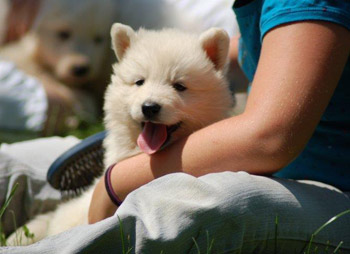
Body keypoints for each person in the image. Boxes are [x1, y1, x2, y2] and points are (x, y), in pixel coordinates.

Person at [1, 0, 349, 253]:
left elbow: (270, 139)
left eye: (178, 87)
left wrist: (115, 182)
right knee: (18, 166)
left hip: (325, 192)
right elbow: (268, 54)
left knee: (178, 207)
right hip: (183, 143)